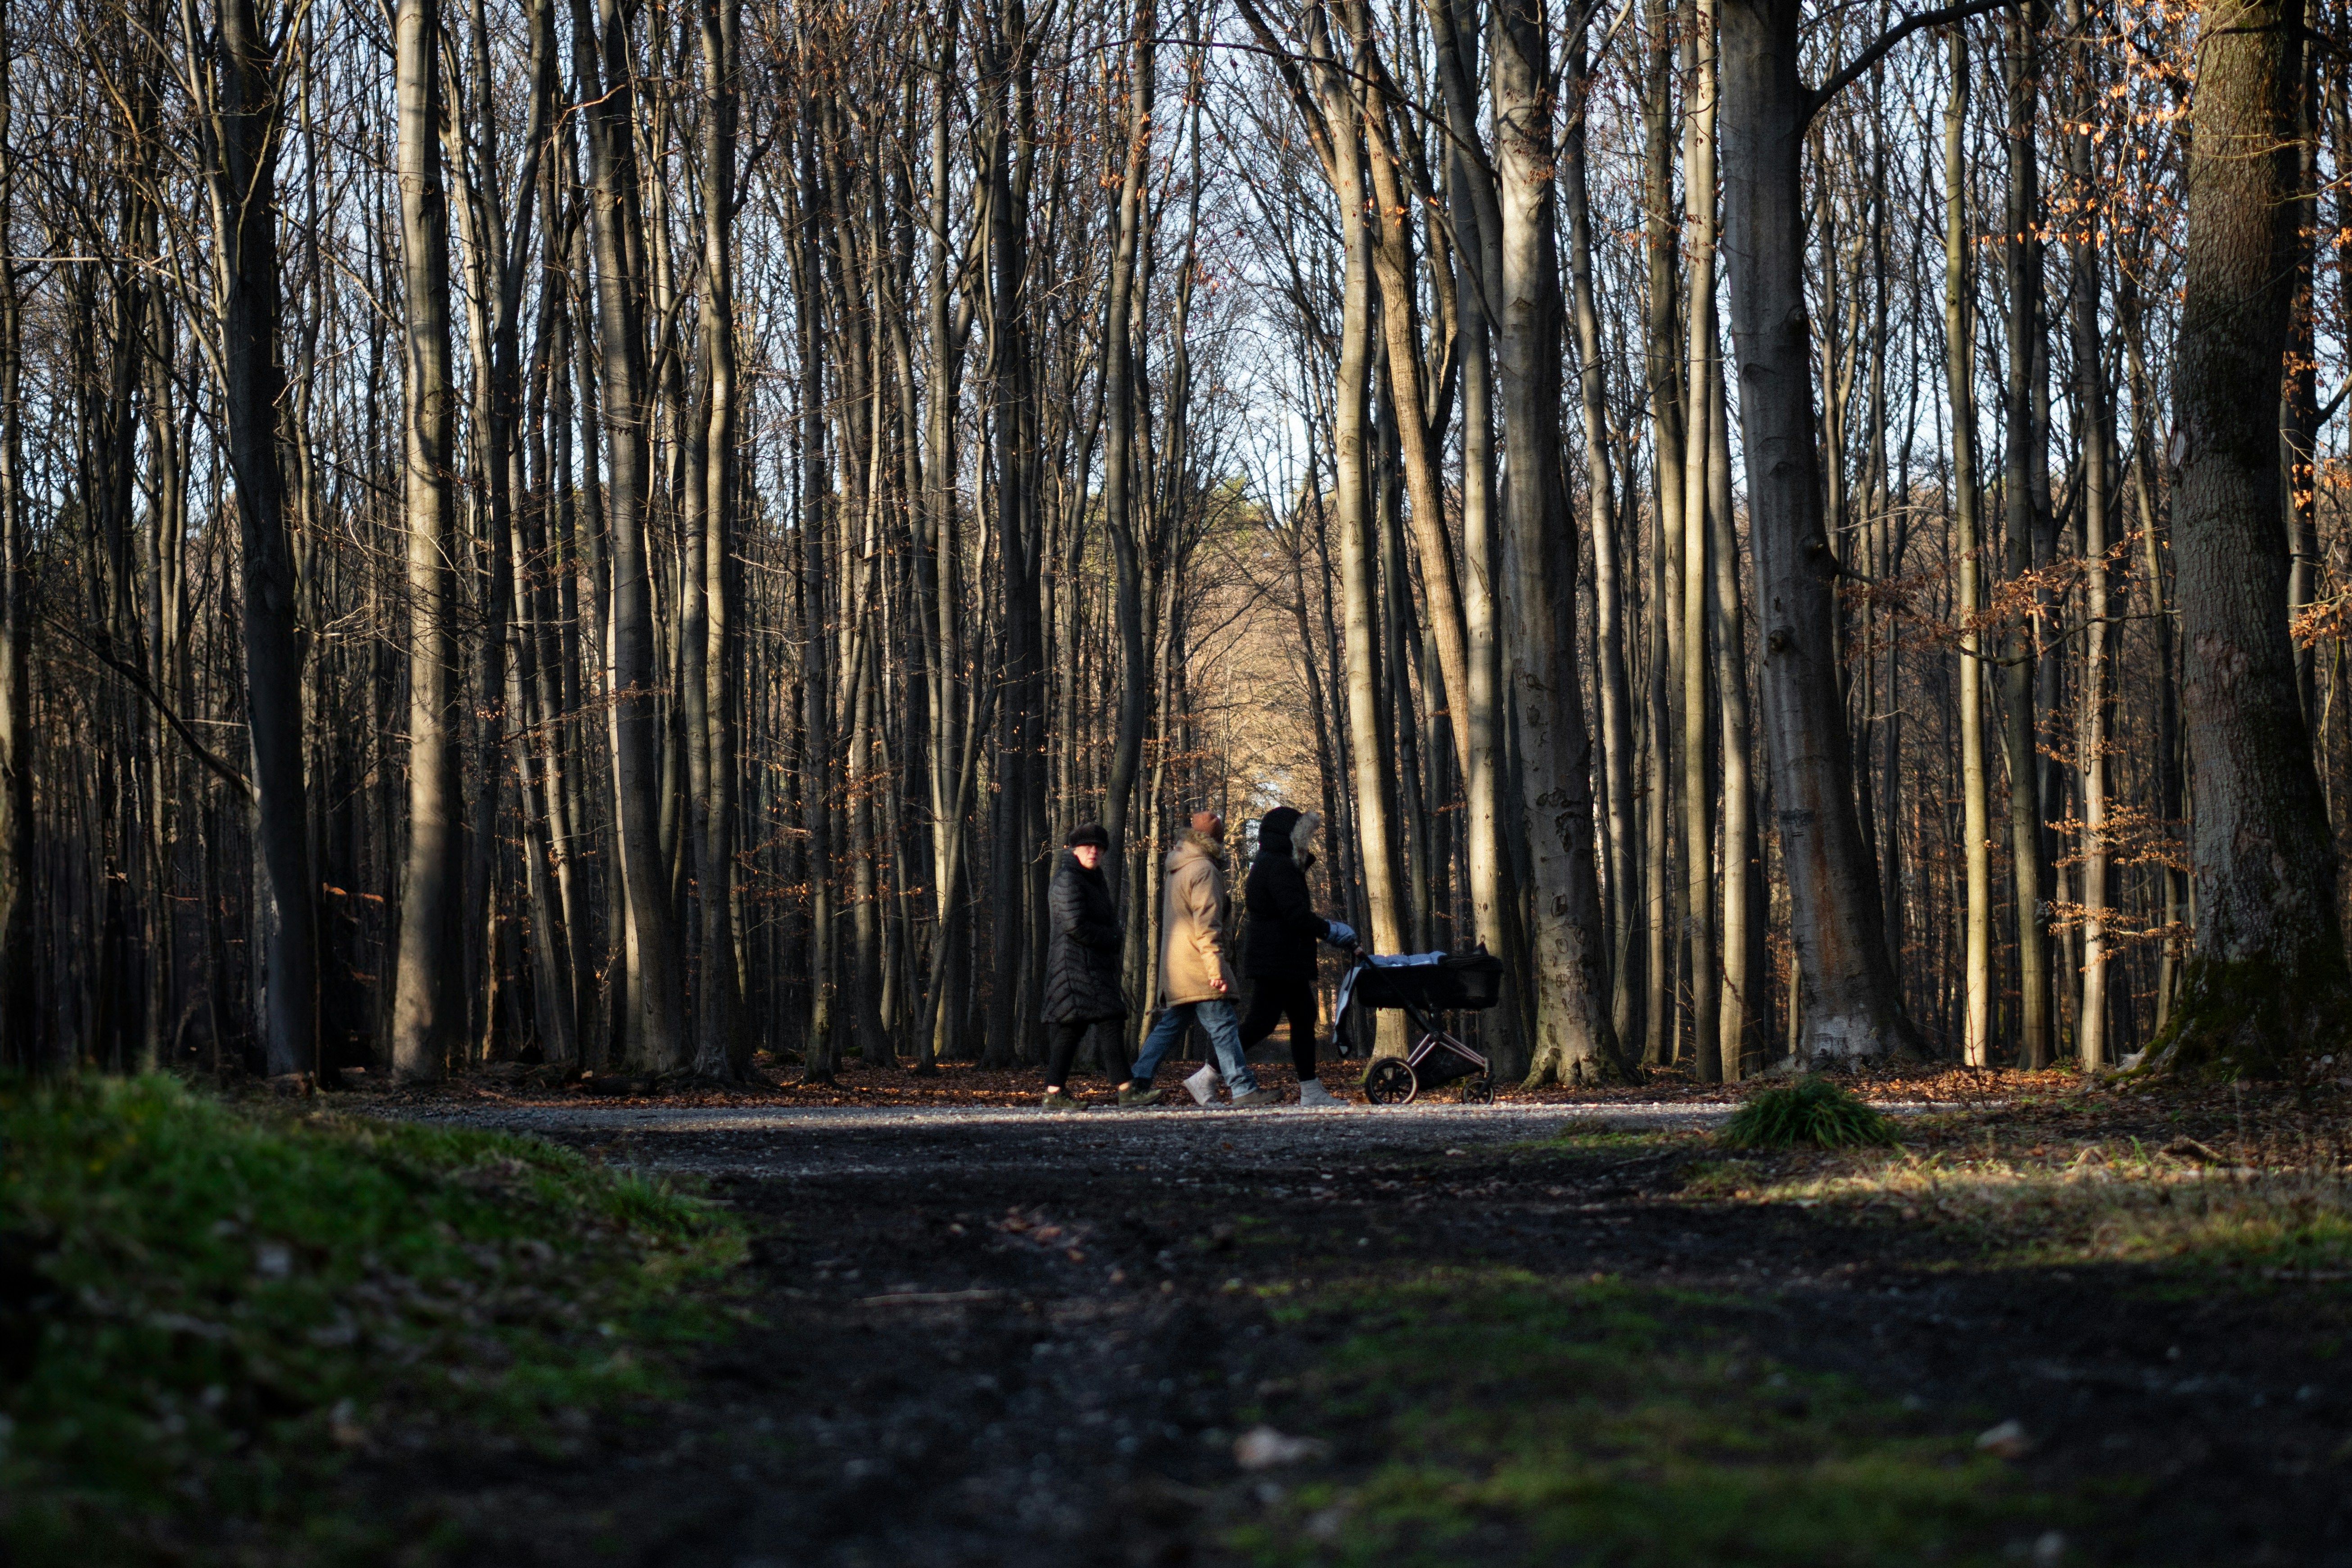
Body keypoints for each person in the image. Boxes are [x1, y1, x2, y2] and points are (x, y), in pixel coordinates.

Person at [1121, 810, 1276, 1107]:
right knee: (1223, 1025)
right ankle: (1243, 1088)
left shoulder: (1179, 865)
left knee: (1171, 1025)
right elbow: (1207, 924)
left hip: (1178, 965)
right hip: (1199, 964)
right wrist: (1215, 965)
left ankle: (1138, 1082)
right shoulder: (1204, 868)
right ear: (1214, 840)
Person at [1236, 806, 1354, 1106]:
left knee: (1302, 1016)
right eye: (1306, 834)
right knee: (1262, 1023)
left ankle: (1311, 1090)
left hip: (1283, 958)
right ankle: (1210, 1072)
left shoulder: (1276, 862)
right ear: (1292, 834)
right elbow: (1296, 915)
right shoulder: (1277, 865)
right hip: (1277, 958)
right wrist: (1330, 930)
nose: (1310, 840)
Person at [1040, 823, 1152, 1111]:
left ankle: (1055, 1094)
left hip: (1090, 965)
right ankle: (1125, 1091)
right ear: (1074, 850)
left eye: (1099, 847)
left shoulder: (1092, 878)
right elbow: (1075, 924)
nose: (1094, 851)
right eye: (1088, 846)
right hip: (1074, 968)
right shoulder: (1068, 880)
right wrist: (1112, 938)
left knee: (1075, 1029)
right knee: (1105, 1021)